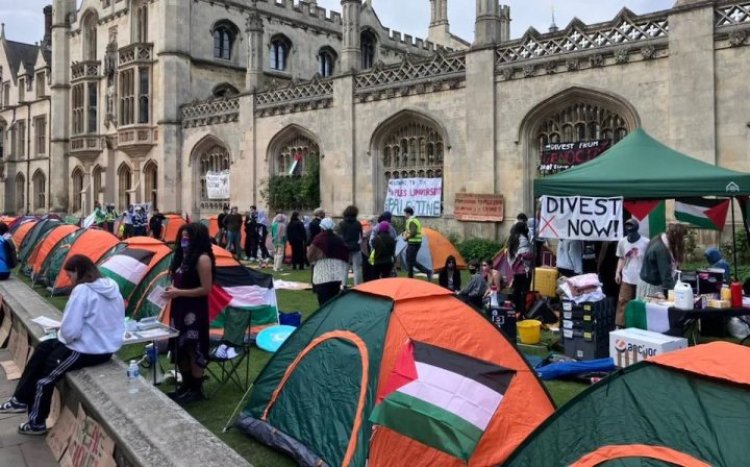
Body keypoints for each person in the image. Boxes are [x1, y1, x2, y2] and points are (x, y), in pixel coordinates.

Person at [0, 255, 124, 434]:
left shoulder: (83, 291)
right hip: (102, 345)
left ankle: (36, 423)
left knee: (45, 378)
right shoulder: (110, 287)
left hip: (87, 349)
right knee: (43, 348)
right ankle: (19, 399)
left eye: (70, 275)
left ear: (78, 272)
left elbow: (70, 331)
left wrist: (62, 337)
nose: (69, 280)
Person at [163, 223, 215, 404]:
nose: (183, 242)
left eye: (187, 238)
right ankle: (186, 385)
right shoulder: (184, 258)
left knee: (194, 348)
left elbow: (205, 289)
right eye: (182, 238)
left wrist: (179, 292)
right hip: (179, 308)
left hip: (194, 311)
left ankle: (196, 389)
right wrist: (173, 291)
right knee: (181, 348)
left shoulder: (202, 259)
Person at [615, 218, 650, 327]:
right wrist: (617, 272)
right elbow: (621, 258)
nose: (630, 234)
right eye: (628, 231)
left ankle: (640, 325)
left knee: (641, 303)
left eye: (632, 231)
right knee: (623, 301)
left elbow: (649, 259)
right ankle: (620, 325)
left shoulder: (646, 242)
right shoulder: (622, 242)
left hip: (642, 279)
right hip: (627, 277)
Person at [638, 223, 688, 299]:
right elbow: (665, 275)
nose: (684, 240)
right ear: (677, 237)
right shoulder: (661, 250)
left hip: (649, 282)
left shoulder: (659, 240)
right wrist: (680, 293)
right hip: (652, 286)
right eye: (683, 238)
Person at [307, 218, 349, 305]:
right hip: (336, 276)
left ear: (321, 228)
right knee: (333, 304)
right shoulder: (339, 240)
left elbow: (310, 256)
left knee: (323, 305)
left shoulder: (318, 240)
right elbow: (345, 256)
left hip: (322, 277)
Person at [507, 221, 533, 315]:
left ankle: (516, 310)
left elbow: (510, 256)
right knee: (524, 292)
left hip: (516, 270)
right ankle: (523, 311)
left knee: (516, 291)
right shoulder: (523, 239)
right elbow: (525, 254)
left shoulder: (512, 238)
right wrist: (533, 255)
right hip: (524, 270)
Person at [402, 207, 433, 281]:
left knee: (410, 260)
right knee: (410, 260)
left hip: (414, 243)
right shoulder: (414, 220)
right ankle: (411, 275)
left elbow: (413, 232)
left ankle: (427, 271)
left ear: (408, 213)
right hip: (414, 243)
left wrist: (406, 238)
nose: (404, 215)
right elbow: (410, 231)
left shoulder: (412, 221)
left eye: (405, 213)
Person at [339, 205, 364, 285]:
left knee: (344, 268)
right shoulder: (358, 224)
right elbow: (361, 236)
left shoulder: (341, 224)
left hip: (344, 247)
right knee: (357, 268)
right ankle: (357, 285)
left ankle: (343, 285)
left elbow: (339, 236)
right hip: (356, 247)